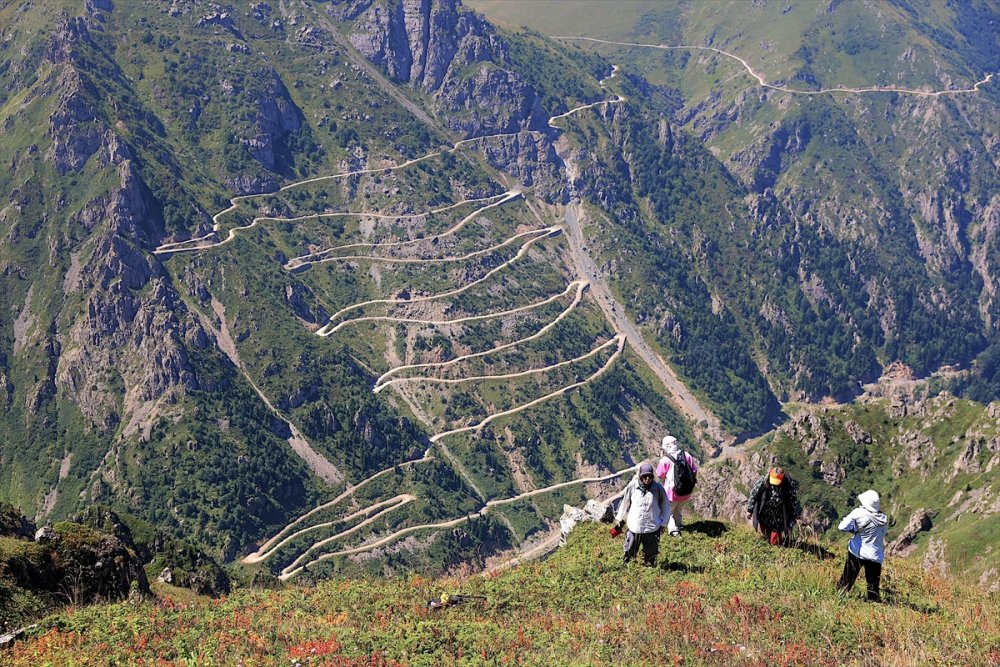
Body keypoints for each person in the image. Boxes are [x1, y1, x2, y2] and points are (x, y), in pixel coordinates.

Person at [836, 490, 888, 602]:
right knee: (873, 587)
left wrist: (854, 529)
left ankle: (839, 599)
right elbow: (882, 534)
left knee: (847, 579)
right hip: (875, 555)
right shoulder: (884, 518)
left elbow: (842, 526)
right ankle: (874, 606)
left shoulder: (858, 513)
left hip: (857, 552)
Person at [613, 462, 669, 565]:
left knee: (651, 553)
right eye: (644, 476)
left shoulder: (658, 489)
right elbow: (625, 502)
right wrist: (620, 518)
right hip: (635, 526)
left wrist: (664, 523)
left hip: (652, 527)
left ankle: (650, 568)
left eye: (650, 476)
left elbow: (666, 506)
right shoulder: (632, 486)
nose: (647, 479)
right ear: (640, 476)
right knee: (630, 549)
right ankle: (628, 566)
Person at [746, 466, 801, 546]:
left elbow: (793, 500)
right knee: (766, 534)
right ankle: (767, 544)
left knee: (775, 539)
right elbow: (753, 495)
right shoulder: (762, 481)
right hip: (764, 515)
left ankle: (777, 548)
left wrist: (794, 515)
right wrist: (750, 510)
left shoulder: (788, 484)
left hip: (779, 517)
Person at [655, 435, 698, 536]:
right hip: (686, 491)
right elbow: (694, 470)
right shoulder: (686, 455)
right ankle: (679, 525)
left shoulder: (665, 460)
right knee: (678, 509)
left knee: (667, 511)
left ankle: (674, 530)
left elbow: (660, 475)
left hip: (671, 492)